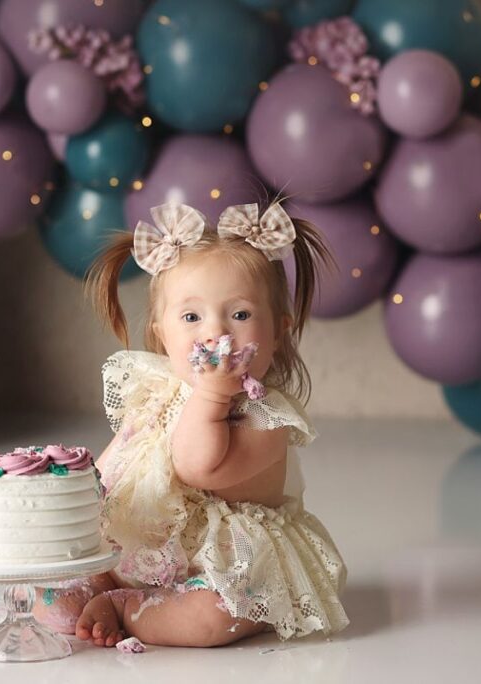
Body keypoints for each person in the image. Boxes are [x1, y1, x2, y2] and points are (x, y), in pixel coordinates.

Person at [34, 199, 349, 648]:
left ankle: (129, 606)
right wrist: (79, 510)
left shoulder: (268, 417)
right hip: (147, 547)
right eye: (191, 317)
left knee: (211, 620)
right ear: (162, 332)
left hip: (225, 567)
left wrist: (212, 396)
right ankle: (109, 583)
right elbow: (118, 460)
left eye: (240, 315)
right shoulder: (156, 394)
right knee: (56, 602)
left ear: (278, 332)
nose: (215, 333)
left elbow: (196, 467)